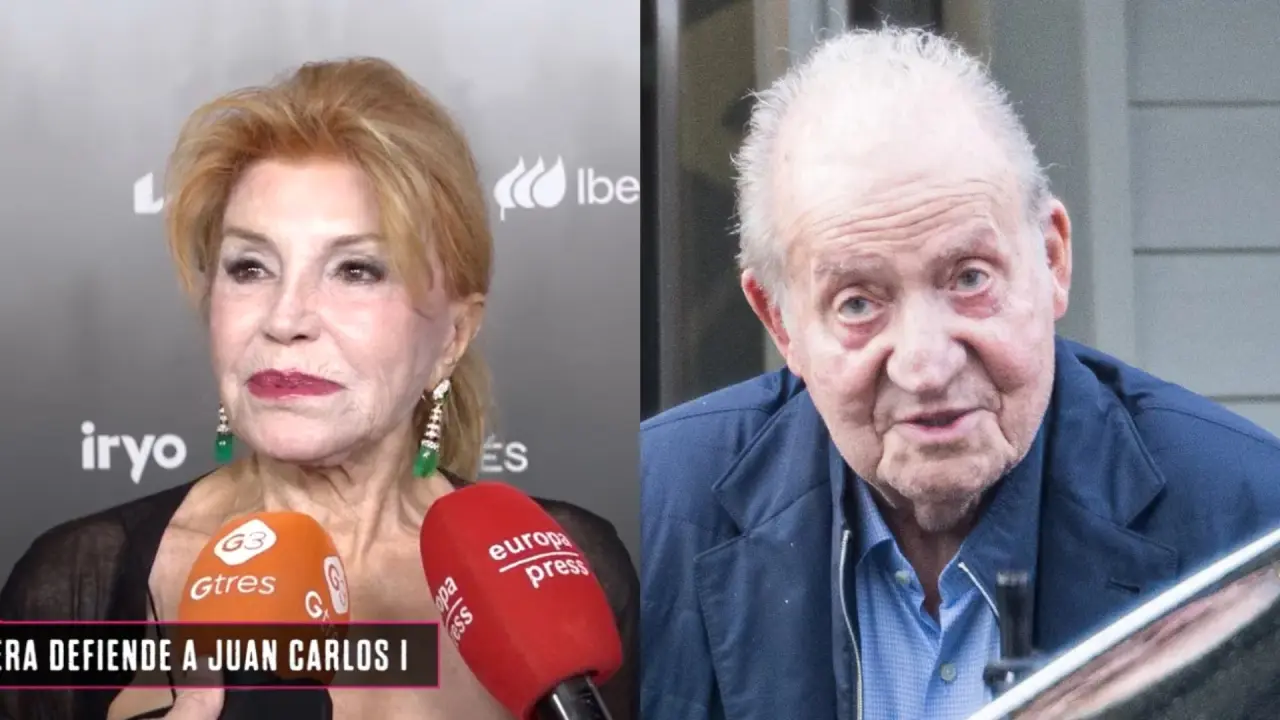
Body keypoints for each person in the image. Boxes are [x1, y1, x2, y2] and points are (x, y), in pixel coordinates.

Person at [639, 26, 1280, 720]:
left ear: (1052, 259)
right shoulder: (648, 516)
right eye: (857, 303)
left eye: (969, 277)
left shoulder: (1251, 529)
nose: (925, 365)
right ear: (781, 323)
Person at [0, 58, 638, 720]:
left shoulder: (571, 567)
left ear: (452, 336)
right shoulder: (77, 588)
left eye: (356, 270)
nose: (284, 319)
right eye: (250, 267)